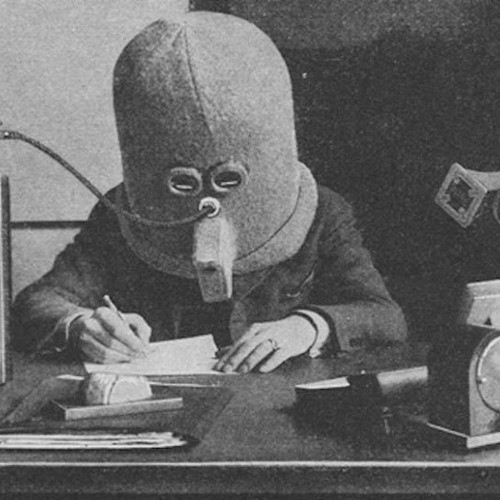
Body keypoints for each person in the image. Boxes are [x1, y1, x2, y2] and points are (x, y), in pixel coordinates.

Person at [12, 12, 407, 373]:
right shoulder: (119, 216)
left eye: (229, 179)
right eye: (183, 182)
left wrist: (306, 327)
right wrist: (83, 326)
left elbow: (383, 315)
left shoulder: (322, 212)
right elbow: (39, 301)